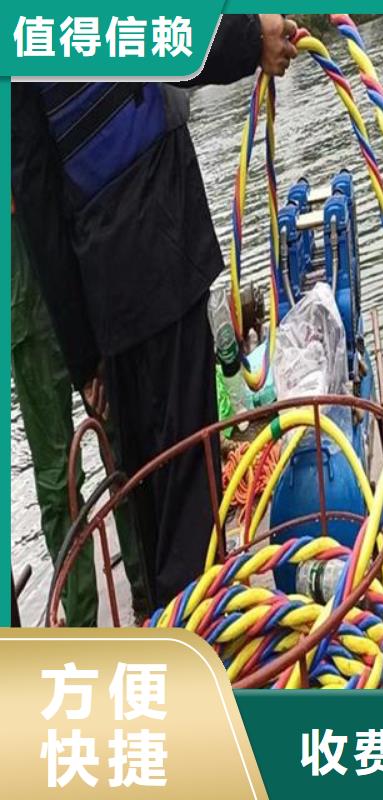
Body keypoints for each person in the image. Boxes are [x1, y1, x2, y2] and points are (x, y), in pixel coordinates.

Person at [11, 15, 298, 611]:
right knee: (190, 488)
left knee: (149, 490)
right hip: (161, 245)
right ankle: (204, 637)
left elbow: (36, 195)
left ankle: (168, 621)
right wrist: (254, 39)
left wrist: (84, 355)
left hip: (103, 287)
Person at [12, 203, 147, 625]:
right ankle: (85, 623)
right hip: (23, 271)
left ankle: (145, 589)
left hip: (67, 234)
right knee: (59, 477)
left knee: (114, 432)